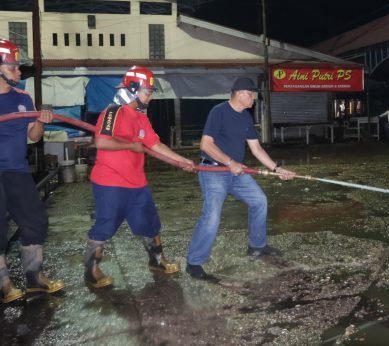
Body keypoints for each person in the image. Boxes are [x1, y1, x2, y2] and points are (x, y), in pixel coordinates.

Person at [84, 66, 195, 288]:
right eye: (147, 91)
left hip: (137, 182)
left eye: (151, 92)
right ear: (133, 89)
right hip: (110, 181)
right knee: (105, 226)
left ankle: (157, 260)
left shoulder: (141, 118)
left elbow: (156, 145)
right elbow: (102, 142)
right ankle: (91, 269)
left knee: (150, 223)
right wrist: (131, 146)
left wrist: (183, 162)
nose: (150, 96)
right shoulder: (113, 112)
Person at [186, 77, 295, 280]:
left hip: (237, 173)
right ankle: (194, 262)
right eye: (252, 94)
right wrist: (229, 162)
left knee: (259, 201)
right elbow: (206, 145)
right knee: (212, 217)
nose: (254, 98)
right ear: (241, 93)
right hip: (214, 172)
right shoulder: (218, 112)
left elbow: (256, 148)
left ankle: (257, 246)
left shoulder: (245, 117)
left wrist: (277, 169)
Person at [0, 38, 65, 303]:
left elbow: (34, 137)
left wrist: (40, 121)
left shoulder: (23, 98)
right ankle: (4, 283)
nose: (18, 71)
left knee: (36, 220)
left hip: (17, 170)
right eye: (13, 66)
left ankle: (34, 277)